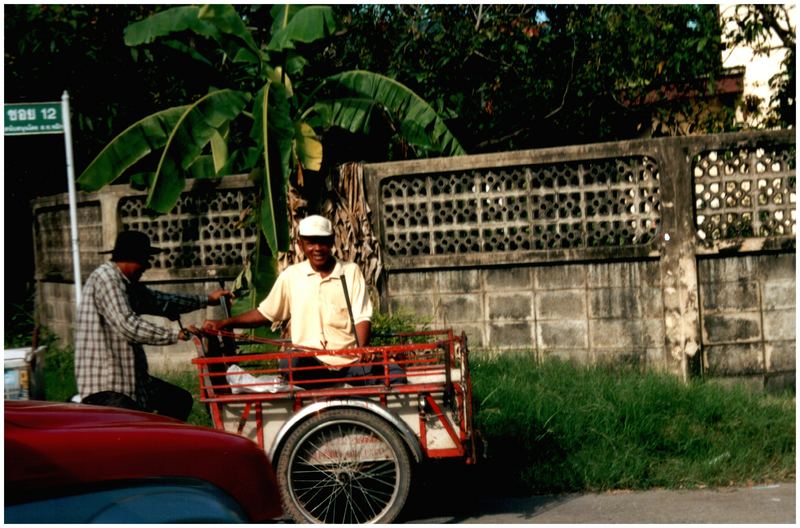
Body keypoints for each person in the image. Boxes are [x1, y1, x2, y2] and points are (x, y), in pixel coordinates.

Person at [200, 214, 405, 387]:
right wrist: (227, 323)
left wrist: (362, 349)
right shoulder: (292, 276)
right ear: (300, 244)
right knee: (292, 361)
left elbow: (362, 316)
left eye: (323, 241)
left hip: (349, 361)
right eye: (310, 242)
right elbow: (267, 312)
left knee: (394, 373)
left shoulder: (350, 272)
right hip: (310, 366)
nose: (317, 248)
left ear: (332, 241)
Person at [74, 230, 231, 421]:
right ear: (131, 258)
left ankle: (166, 447)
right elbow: (128, 325)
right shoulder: (107, 279)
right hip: (108, 384)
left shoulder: (128, 284)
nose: (147, 266)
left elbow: (160, 301)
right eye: (145, 260)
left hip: (132, 379)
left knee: (179, 400)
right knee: (133, 430)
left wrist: (206, 300)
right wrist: (175, 334)